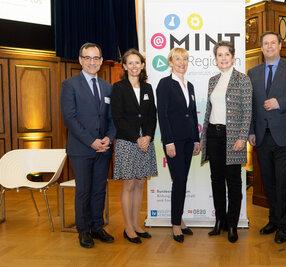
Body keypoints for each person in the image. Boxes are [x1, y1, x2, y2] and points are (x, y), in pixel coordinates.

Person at [60, 42, 116, 248]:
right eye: (87, 58)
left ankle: (97, 226)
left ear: (101, 61)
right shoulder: (69, 85)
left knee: (99, 189)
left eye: (96, 58)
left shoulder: (108, 87)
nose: (92, 62)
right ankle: (83, 230)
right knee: (84, 190)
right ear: (80, 60)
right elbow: (69, 118)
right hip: (82, 149)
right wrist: (91, 142)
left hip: (103, 148)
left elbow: (113, 118)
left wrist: (109, 138)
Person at [200, 41, 252, 243]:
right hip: (214, 134)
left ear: (233, 57)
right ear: (215, 59)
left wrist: (241, 137)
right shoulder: (213, 80)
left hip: (233, 137)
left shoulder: (243, 80)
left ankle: (232, 224)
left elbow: (247, 112)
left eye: (226, 55)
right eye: (219, 55)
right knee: (216, 180)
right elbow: (209, 110)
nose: (223, 58)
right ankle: (219, 221)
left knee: (234, 181)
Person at [247, 31, 286, 244]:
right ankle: (273, 220)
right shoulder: (253, 72)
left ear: (280, 45)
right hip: (261, 137)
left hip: (284, 136)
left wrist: (281, 103)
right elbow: (250, 105)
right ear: (261, 47)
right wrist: (250, 131)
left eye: (272, 43)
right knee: (268, 182)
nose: (269, 46)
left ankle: (283, 225)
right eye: (265, 43)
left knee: (282, 182)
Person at [111, 48, 157, 244]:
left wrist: (147, 136)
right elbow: (118, 118)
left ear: (142, 65)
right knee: (129, 183)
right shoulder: (118, 88)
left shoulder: (147, 88)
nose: (134, 66)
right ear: (124, 66)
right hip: (127, 141)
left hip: (145, 141)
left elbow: (151, 115)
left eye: (137, 62)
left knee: (140, 182)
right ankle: (128, 227)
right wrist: (136, 138)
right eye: (130, 63)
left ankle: (137, 224)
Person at [156, 47, 200, 243]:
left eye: (184, 58)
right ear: (170, 62)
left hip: (189, 140)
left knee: (182, 180)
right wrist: (169, 141)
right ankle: (175, 225)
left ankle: (179, 219)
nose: (181, 62)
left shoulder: (189, 85)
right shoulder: (165, 84)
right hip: (174, 141)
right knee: (179, 180)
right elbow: (163, 116)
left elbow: (192, 113)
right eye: (177, 59)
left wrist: (197, 138)